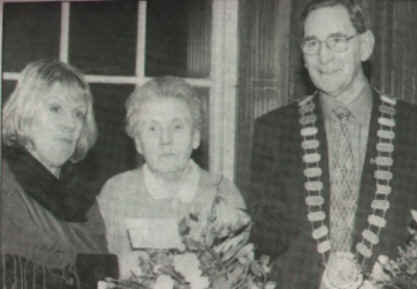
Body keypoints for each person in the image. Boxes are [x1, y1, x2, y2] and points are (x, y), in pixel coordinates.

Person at [247, 0, 417, 288]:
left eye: (337, 41)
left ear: (365, 46)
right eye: (312, 44)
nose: (323, 56)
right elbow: (267, 241)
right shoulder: (274, 130)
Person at [97, 76, 246, 277]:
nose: (165, 140)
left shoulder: (223, 193)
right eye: (152, 129)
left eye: (177, 127)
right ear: (138, 143)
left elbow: (239, 276)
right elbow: (103, 273)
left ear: (195, 137)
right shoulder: (116, 193)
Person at [1, 59, 110, 289]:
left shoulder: (85, 200)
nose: (70, 124)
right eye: (56, 108)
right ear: (25, 114)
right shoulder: (5, 182)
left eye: (79, 114)